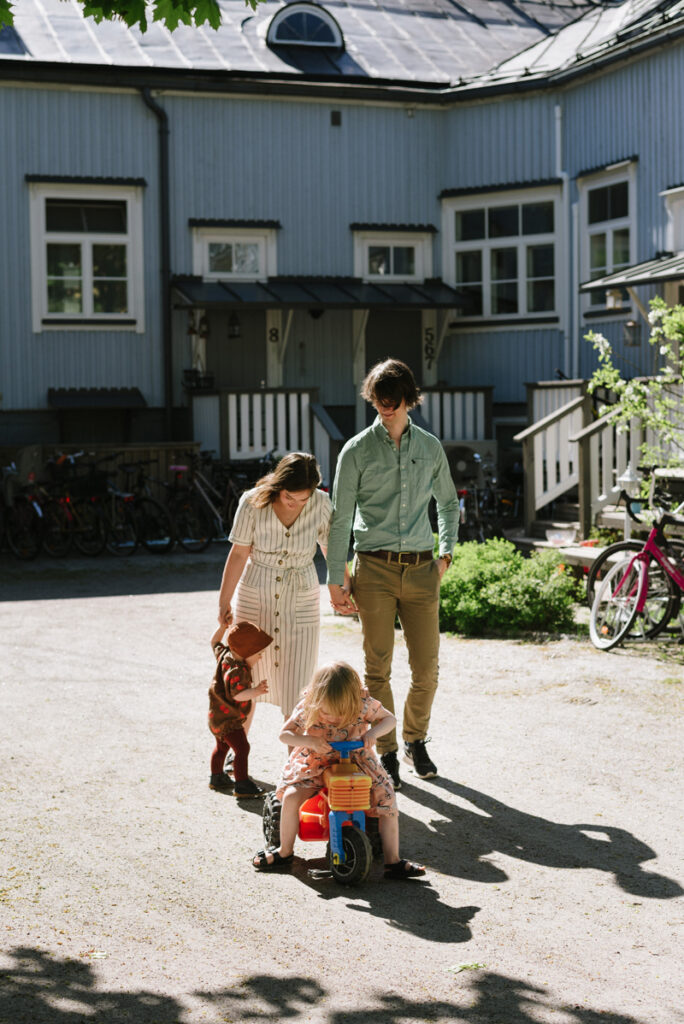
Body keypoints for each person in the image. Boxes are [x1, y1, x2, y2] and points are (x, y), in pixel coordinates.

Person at [326, 359, 459, 790]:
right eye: (378, 402)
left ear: (408, 399)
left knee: (427, 669)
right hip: (375, 570)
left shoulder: (430, 447)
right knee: (377, 667)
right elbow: (341, 517)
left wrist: (446, 553)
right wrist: (335, 576)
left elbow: (449, 503)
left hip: (422, 569)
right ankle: (384, 752)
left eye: (393, 402)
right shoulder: (357, 450)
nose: (385, 409)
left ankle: (415, 739)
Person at [251, 661, 426, 879]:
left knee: (386, 795)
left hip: (357, 761)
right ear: (317, 699)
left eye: (342, 713)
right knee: (291, 796)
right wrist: (308, 740)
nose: (335, 718)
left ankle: (393, 861)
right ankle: (284, 851)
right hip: (316, 763)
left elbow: (389, 719)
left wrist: (373, 734)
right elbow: (284, 734)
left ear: (354, 699)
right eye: (328, 712)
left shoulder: (363, 703)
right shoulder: (309, 705)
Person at [217, 452, 347, 723]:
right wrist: (224, 601)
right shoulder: (252, 502)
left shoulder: (321, 503)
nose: (296, 504)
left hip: (301, 597)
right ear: (278, 485)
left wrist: (344, 586)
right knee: (246, 676)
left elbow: (330, 549)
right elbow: (239, 553)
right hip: (256, 597)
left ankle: (296, 760)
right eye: (290, 497)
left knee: (298, 682)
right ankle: (235, 750)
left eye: (303, 499)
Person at [208, 620, 272, 797]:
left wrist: (221, 627)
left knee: (221, 748)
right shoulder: (238, 670)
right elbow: (238, 694)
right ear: (245, 651)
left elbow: (214, 642)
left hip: (217, 717)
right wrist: (256, 691)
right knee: (242, 749)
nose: (260, 657)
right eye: (258, 653)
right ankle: (242, 784)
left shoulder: (224, 654)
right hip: (230, 720)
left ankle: (216, 777)